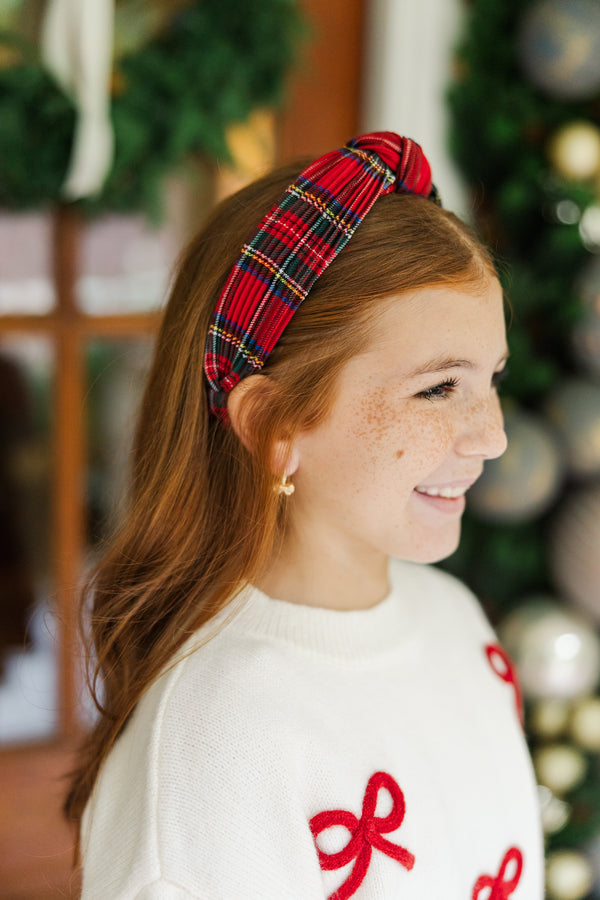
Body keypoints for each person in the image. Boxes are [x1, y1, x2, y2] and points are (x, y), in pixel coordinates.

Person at [65, 132, 544, 898]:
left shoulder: (454, 619)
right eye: (437, 389)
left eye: (490, 378)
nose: (492, 436)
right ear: (273, 426)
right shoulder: (215, 745)